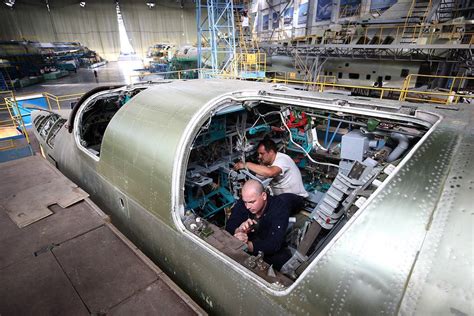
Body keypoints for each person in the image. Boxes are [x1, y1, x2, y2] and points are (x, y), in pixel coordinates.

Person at [225, 180, 291, 270]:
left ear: (263, 196)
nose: (247, 206)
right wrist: (239, 231)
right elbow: (230, 224)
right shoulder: (244, 202)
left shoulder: (279, 208)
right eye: (245, 202)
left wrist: (247, 245)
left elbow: (274, 243)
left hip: (268, 251)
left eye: (252, 202)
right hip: (249, 244)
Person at [233, 138, 308, 207]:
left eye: (262, 154)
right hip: (280, 199)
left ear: (271, 152)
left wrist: (246, 164)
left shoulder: (282, 159)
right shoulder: (267, 165)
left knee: (281, 200)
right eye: (258, 154)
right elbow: (260, 177)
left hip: (296, 198)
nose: (259, 157)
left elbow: (270, 172)